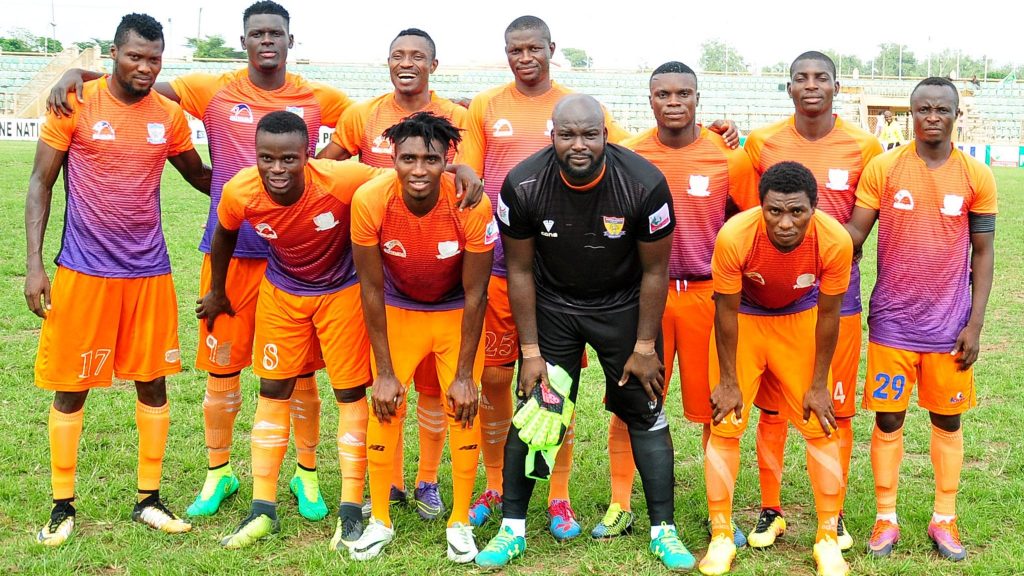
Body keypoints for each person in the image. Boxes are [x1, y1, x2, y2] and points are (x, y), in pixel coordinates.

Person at [47, 0, 353, 521]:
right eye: (256, 33)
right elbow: (136, 83)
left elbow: (365, 129)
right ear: (243, 41)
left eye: (275, 34)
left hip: (297, 255)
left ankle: (306, 475)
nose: (266, 42)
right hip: (228, 253)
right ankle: (218, 472)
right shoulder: (211, 89)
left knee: (300, 373)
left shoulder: (320, 97)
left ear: (290, 41)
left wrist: (321, 173)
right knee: (222, 369)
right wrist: (80, 72)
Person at [476, 93, 693, 571]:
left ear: (605, 135)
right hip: (555, 308)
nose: (579, 145)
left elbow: (656, 271)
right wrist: (530, 350)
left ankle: (665, 532)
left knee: (645, 409)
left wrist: (643, 345)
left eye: (589, 134)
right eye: (568, 134)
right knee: (539, 415)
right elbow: (519, 271)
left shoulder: (643, 182)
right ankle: (512, 530)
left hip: (622, 306)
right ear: (551, 134)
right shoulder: (523, 183)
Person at [26, 13, 211, 547]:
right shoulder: (75, 103)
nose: (146, 67)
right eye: (136, 56)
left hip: (148, 270)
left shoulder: (169, 116)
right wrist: (35, 265)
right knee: (71, 386)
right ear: (113, 53)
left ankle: (148, 499)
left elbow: (199, 176)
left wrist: (261, 191)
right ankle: (62, 505)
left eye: (155, 58)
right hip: (83, 270)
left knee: (152, 380)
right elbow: (40, 183)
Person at [195, 111, 388, 548]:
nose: (276, 169)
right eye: (267, 158)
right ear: (255, 156)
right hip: (282, 293)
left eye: (288, 159)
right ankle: (262, 509)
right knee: (273, 390)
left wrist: (457, 170)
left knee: (350, 395)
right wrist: (218, 291)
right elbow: (224, 233)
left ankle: (351, 510)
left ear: (308, 157)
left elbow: (396, 178)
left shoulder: (341, 178)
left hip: (342, 293)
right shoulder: (240, 190)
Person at [595, 61, 758, 543]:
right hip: (644, 297)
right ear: (650, 101)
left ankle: (719, 510)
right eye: (663, 94)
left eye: (682, 93)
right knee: (630, 401)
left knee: (716, 404)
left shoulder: (729, 158)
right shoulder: (628, 154)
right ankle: (620, 505)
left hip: (708, 293)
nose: (673, 102)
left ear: (697, 99)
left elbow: (750, 223)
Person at [317, 27, 469, 523]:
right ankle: (394, 483)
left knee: (431, 388)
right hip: (390, 268)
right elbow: (324, 169)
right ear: (386, 63)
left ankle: (427, 481)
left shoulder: (459, 118)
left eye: (417, 56)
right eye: (398, 55)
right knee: (390, 384)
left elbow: (468, 181)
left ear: (434, 64)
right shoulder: (362, 115)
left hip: (444, 276)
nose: (407, 63)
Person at [846, 77, 996, 562]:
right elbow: (854, 235)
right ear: (910, 114)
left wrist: (974, 325)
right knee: (888, 419)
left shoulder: (976, 175)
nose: (933, 116)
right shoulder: (885, 168)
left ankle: (944, 519)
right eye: (923, 109)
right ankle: (885, 518)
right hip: (892, 323)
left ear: (957, 115)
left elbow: (985, 252)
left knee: (947, 421)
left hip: (949, 328)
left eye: (942, 109)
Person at [742, 50, 882, 551]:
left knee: (834, 409)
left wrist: (816, 260)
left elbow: (858, 231)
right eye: (801, 77)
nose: (811, 85)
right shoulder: (763, 143)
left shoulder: (865, 146)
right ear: (789, 88)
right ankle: (771, 509)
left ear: (837, 87)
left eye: (821, 77)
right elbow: (744, 212)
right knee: (772, 410)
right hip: (770, 302)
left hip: (833, 298)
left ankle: (834, 513)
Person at [347, 111, 495, 562]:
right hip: (399, 310)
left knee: (463, 408)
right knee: (385, 405)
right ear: (392, 157)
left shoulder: (470, 201)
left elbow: (476, 294)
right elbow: (370, 288)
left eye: (430, 159)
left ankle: (460, 523)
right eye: (407, 158)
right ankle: (379, 521)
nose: (418, 170)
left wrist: (466, 375)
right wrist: (386, 372)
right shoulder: (370, 200)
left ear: (448, 159)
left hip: (454, 312)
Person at [699, 161, 852, 576]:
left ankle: (826, 537)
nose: (785, 223)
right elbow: (725, 311)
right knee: (726, 422)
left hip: (799, 321)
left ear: (814, 208)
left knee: (819, 423)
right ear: (760, 206)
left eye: (797, 212)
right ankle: (721, 535)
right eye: (774, 211)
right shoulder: (735, 235)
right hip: (744, 321)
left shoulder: (834, 240)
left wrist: (820, 383)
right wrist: (729, 381)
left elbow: (830, 315)